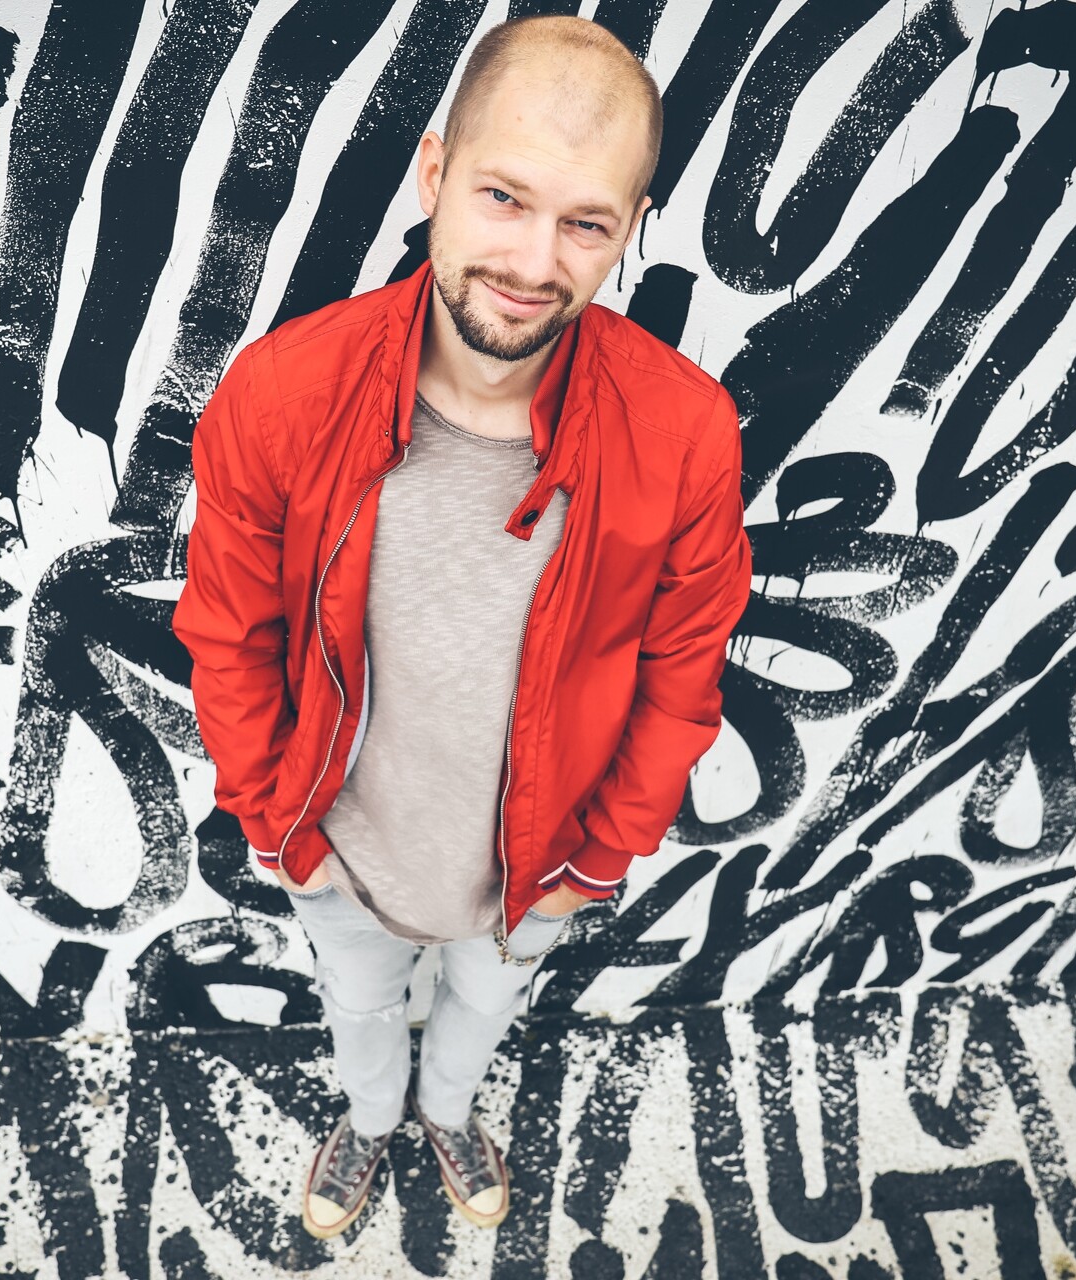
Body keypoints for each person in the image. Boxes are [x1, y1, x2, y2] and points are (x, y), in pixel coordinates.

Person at [171, 13, 752, 1240]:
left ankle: (445, 1114)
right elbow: (228, 632)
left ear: (632, 228)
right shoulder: (281, 393)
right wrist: (280, 825)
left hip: (539, 868)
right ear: (435, 172)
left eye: (586, 223)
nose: (535, 261)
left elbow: (683, 672)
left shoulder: (684, 429)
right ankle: (370, 1120)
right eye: (504, 197)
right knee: (359, 1007)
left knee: (482, 1013)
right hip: (337, 847)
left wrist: (597, 862)